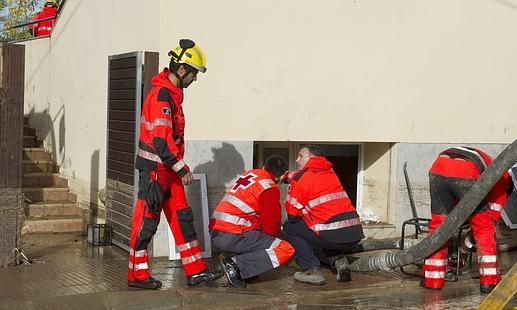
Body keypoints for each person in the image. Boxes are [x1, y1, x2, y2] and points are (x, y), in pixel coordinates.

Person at [127, 39, 222, 289]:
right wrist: (180, 166)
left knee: (183, 220)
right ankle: (137, 275)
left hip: (167, 171)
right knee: (147, 222)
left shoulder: (171, 95)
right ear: (182, 70)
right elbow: (161, 139)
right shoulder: (162, 95)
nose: (194, 80)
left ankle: (196, 271)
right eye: (194, 74)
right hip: (157, 172)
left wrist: (176, 168)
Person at [422, 146, 511, 294]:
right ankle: (489, 281)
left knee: (439, 227)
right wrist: (475, 231)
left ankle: (432, 279)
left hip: (438, 167)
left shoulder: (490, 162)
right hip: (465, 171)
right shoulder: (504, 180)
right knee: (484, 229)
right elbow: (492, 217)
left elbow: (457, 202)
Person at [283, 145, 364, 285]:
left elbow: (292, 214)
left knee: (290, 227)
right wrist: (287, 176)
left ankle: (312, 270)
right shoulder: (330, 172)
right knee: (323, 226)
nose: (297, 160)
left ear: (312, 158)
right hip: (354, 232)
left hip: (332, 234)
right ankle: (340, 262)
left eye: (300, 156)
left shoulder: (301, 178)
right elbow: (305, 177)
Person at [210, 156, 295, 288]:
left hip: (216, 232)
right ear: (283, 175)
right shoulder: (269, 187)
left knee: (257, 234)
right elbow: (271, 226)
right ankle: (234, 265)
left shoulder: (250, 174)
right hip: (232, 235)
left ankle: (241, 266)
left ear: (264, 166)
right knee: (285, 248)